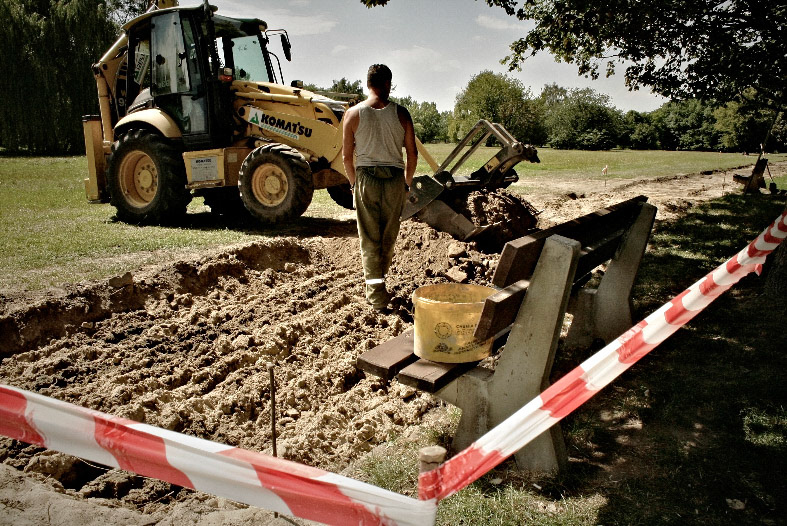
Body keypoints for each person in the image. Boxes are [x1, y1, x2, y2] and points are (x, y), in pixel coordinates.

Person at [342, 64, 417, 312]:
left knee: (369, 239)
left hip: (366, 179)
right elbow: (413, 154)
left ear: (367, 84)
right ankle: (378, 287)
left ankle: (375, 294)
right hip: (394, 179)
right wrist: (406, 184)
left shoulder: (353, 114)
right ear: (387, 83)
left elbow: (346, 157)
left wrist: (354, 184)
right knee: (387, 237)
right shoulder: (402, 113)